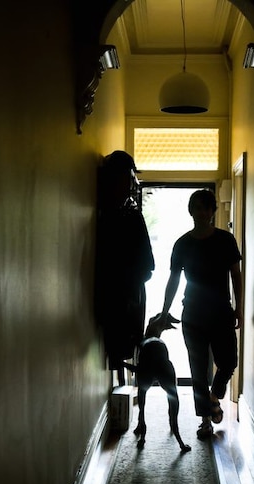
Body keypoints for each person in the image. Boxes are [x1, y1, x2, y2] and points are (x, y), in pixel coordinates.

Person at [157, 188, 243, 439]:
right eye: (197, 207)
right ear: (191, 211)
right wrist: (164, 312)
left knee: (229, 362)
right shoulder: (182, 244)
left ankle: (214, 396)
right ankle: (205, 419)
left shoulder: (226, 241)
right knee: (198, 368)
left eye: (206, 207)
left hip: (221, 312)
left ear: (213, 211)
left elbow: (236, 276)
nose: (201, 212)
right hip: (193, 314)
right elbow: (173, 280)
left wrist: (238, 307)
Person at [94, 150, 155, 385]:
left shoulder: (126, 215)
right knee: (122, 343)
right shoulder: (124, 216)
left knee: (124, 344)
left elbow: (147, 265)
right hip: (123, 297)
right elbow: (148, 265)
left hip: (124, 296)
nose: (128, 184)